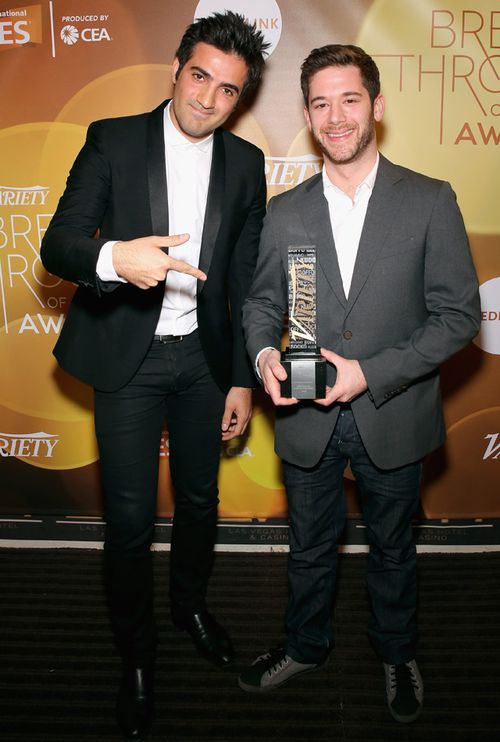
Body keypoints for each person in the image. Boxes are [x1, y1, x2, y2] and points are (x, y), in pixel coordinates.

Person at [41, 11, 268, 741]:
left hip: (204, 364)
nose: (207, 98)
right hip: (128, 361)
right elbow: (58, 244)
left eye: (228, 89)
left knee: (201, 502)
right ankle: (136, 656)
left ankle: (190, 607)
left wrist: (239, 378)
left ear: (240, 99)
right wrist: (116, 259)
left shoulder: (246, 165)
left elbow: (242, 281)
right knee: (132, 523)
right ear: (176, 68)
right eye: (200, 76)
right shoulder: (113, 139)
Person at [239, 44, 480, 723]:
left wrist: (370, 373)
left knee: (394, 549)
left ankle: (397, 651)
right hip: (306, 416)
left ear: (376, 105)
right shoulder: (285, 212)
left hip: (392, 409)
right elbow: (261, 304)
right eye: (320, 103)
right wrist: (262, 358)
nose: (335, 116)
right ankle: (305, 644)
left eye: (349, 99)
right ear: (309, 116)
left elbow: (459, 315)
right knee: (308, 549)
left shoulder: (430, 200)